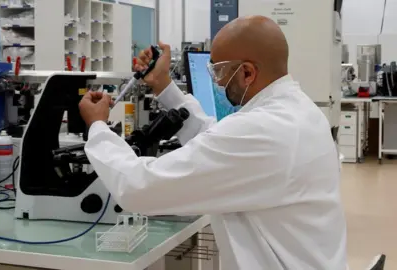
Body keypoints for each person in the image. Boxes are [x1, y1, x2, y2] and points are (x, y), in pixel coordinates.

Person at [79, 15, 347, 270]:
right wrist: (162, 84)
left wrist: (98, 128)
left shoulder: (263, 130)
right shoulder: (299, 111)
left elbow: (138, 188)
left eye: (217, 71)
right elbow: (217, 138)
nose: (216, 81)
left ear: (247, 73)